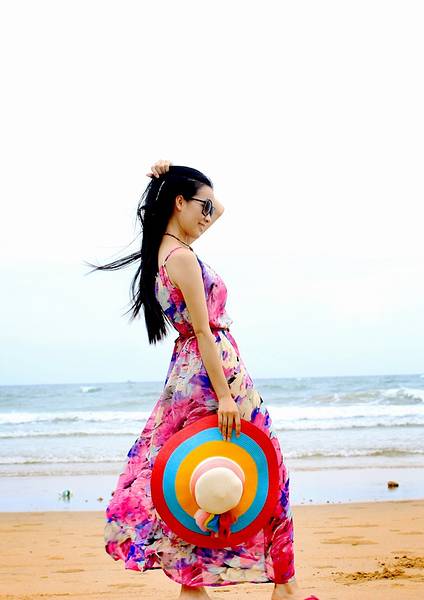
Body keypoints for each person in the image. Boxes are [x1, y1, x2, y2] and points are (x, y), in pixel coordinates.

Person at [88, 160, 317, 600]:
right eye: (202, 207)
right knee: (266, 467)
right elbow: (204, 331)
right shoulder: (182, 258)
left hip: (187, 374)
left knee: (192, 473)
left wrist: (172, 172)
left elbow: (220, 208)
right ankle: (284, 588)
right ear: (180, 203)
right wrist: (227, 396)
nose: (210, 216)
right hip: (214, 371)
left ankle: (193, 591)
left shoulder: (163, 252)